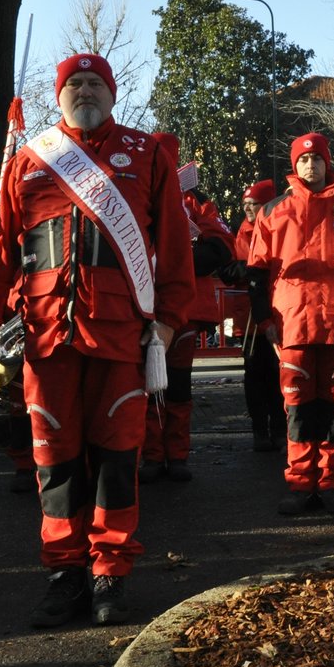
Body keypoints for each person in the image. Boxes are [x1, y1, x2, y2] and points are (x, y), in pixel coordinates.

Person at [0, 53, 195, 628]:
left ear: (111, 93)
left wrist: (165, 322)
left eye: (95, 83)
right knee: (54, 461)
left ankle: (110, 573)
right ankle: (64, 573)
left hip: (121, 337)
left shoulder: (147, 154)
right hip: (47, 337)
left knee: (117, 459)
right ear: (58, 95)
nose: (84, 92)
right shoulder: (28, 159)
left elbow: (175, 246)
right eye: (74, 84)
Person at [246, 132, 334, 515]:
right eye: (304, 161)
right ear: (295, 165)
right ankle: (299, 483)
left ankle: (330, 483)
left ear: (328, 164)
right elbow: (256, 271)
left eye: (317, 160)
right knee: (297, 405)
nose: (311, 166)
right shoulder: (272, 210)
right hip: (291, 320)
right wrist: (263, 319)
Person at [139, 136, 235, 484]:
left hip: (184, 305)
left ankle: (176, 454)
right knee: (147, 385)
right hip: (143, 305)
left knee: (177, 384)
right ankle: (150, 455)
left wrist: (174, 263)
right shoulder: (132, 192)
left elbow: (223, 245)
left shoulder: (196, 201)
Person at [226, 179, 285, 452]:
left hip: (274, 312)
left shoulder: (274, 224)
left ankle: (280, 429)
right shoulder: (242, 231)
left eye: (255, 204)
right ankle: (260, 430)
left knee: (277, 375)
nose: (249, 210)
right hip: (249, 319)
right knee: (254, 377)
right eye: (246, 205)